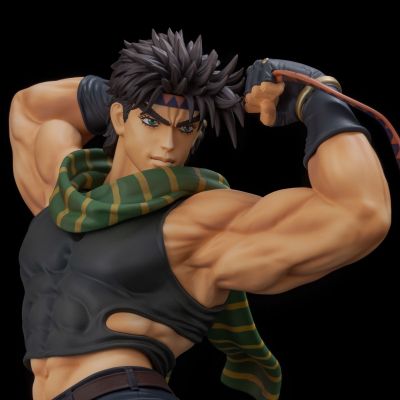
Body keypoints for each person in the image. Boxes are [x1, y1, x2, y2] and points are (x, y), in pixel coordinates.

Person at [9, 29, 391, 400]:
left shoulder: (197, 220)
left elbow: (359, 213)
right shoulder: (64, 193)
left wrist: (317, 98)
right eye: (150, 121)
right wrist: (132, 87)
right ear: (120, 118)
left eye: (186, 127)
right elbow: (31, 111)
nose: (168, 144)